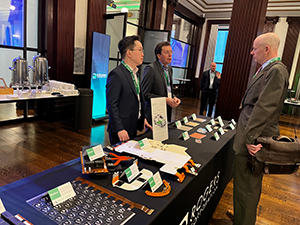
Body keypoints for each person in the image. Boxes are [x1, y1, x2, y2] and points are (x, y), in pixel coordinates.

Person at [232, 32, 289, 225]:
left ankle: (244, 220)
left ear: (266, 49)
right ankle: (242, 216)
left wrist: (249, 138)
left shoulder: (276, 70)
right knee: (244, 185)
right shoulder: (267, 69)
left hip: (255, 141)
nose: (251, 52)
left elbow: (264, 107)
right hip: (251, 136)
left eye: (255, 48)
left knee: (247, 187)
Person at [106, 35, 152, 145]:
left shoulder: (135, 73)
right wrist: (119, 129)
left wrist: (142, 119)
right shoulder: (116, 74)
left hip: (133, 125)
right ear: (129, 53)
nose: (143, 54)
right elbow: (112, 104)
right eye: (140, 50)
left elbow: (137, 99)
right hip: (121, 130)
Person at [141, 41, 181, 124]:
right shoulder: (151, 69)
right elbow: (145, 94)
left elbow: (168, 89)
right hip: (154, 112)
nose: (170, 55)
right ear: (158, 56)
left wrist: (173, 98)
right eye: (166, 52)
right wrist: (165, 100)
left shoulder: (169, 69)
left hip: (167, 109)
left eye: (171, 52)